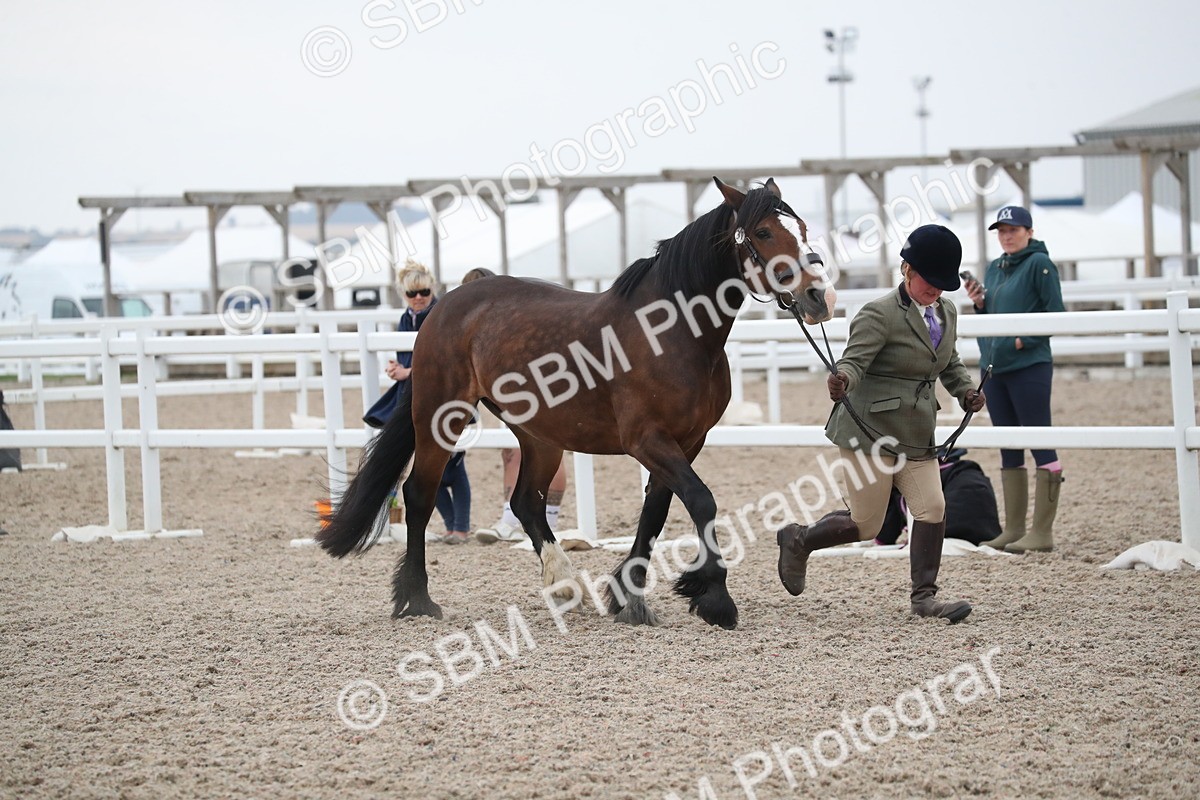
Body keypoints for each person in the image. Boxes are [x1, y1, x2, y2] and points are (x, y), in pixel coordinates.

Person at [775, 224, 986, 623]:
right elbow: (854, 362)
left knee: (933, 508)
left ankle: (924, 599)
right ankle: (799, 539)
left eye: (943, 284)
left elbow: (949, 361)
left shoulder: (947, 311)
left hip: (917, 431)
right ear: (907, 269)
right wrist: (842, 381)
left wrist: (965, 392)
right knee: (866, 523)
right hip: (869, 431)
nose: (936, 291)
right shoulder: (879, 313)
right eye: (930, 280)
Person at [964, 206, 1065, 553]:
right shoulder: (995, 268)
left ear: (1028, 231)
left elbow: (1056, 314)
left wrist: (1025, 339)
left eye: (1013, 230)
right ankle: (1014, 528)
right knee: (1008, 444)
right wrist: (979, 304)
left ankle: (1042, 531)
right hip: (995, 368)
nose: (1006, 236)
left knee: (1039, 440)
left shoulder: (1040, 265)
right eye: (1001, 230)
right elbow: (994, 313)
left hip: (1029, 367)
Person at [453, 267, 570, 544]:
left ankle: (547, 517)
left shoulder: (513, 318)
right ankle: (510, 517)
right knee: (511, 451)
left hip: (534, 389)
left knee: (547, 450)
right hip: (514, 390)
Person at [370, 259, 472, 544]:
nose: (418, 299)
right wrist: (398, 369)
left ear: (432, 290)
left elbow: (446, 362)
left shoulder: (442, 316)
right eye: (411, 294)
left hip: (447, 395)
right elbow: (409, 357)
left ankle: (461, 526)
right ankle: (453, 525)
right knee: (426, 467)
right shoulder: (405, 318)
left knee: (453, 464)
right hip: (416, 397)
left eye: (423, 292)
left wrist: (408, 371)